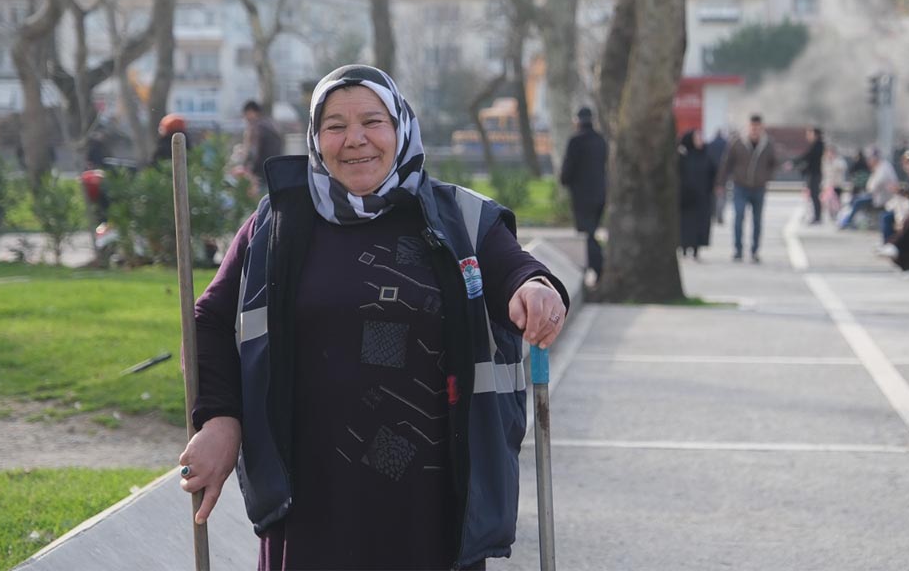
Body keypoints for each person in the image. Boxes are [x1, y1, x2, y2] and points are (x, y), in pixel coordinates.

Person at [177, 65, 570, 570]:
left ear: (400, 127)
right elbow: (208, 319)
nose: (355, 139)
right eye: (335, 126)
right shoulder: (277, 223)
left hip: (433, 505)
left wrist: (536, 290)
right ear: (316, 139)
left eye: (372, 121)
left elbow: (518, 270)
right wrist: (219, 419)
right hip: (309, 500)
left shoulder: (458, 217)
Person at [716, 114, 778, 263]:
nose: (755, 130)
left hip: (758, 187)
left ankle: (755, 250)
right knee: (738, 217)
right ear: (748, 127)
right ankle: (738, 250)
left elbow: (774, 163)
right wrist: (720, 183)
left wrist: (766, 177)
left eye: (757, 127)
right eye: (752, 127)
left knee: (757, 220)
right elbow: (726, 163)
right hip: (740, 186)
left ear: (761, 128)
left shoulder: (768, 144)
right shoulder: (737, 143)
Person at [560, 106, 608, 284]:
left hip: (582, 196)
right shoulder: (600, 140)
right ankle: (595, 265)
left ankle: (599, 265)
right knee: (592, 232)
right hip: (600, 194)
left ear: (577, 121)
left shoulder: (576, 141)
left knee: (585, 234)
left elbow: (568, 168)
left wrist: (564, 180)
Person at [677, 129, 717, 259]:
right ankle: (683, 247)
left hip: (702, 198)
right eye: (697, 138)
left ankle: (696, 248)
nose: (700, 140)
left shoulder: (706, 155)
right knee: (685, 224)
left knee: (700, 224)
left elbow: (713, 173)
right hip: (686, 198)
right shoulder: (683, 157)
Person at [837, 149, 896, 230]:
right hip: (877, 195)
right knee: (855, 198)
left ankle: (848, 222)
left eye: (870, 160)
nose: (868, 162)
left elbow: (872, 187)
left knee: (858, 201)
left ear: (874, 159)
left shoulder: (883, 168)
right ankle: (847, 220)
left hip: (883, 199)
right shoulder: (879, 167)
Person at [242, 99, 286, 194]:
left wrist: (246, 167)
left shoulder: (256, 127)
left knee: (260, 203)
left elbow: (253, 152)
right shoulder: (271, 124)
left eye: (246, 114)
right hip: (275, 170)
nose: (246, 118)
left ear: (251, 112)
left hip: (261, 173)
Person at [791, 127, 826, 224]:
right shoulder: (816, 145)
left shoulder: (818, 145)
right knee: (813, 196)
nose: (808, 136)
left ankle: (817, 217)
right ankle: (816, 216)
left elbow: (807, 157)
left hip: (815, 174)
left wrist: (794, 163)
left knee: (815, 195)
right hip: (814, 174)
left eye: (810, 134)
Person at [705, 128, 728, 224]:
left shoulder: (710, 144)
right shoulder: (727, 144)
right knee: (722, 194)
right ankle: (720, 214)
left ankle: (713, 213)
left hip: (712, 172)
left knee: (713, 194)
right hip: (724, 172)